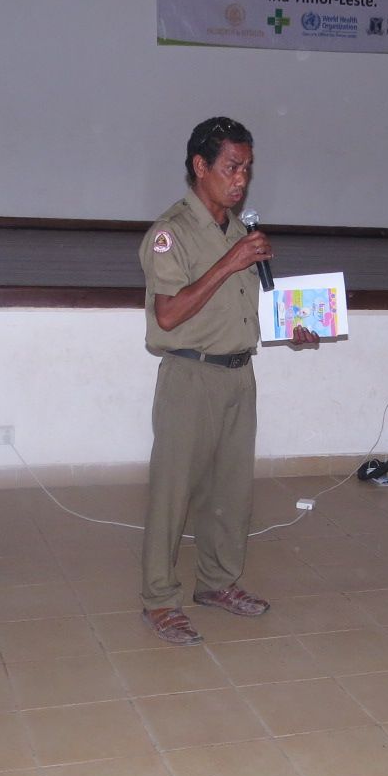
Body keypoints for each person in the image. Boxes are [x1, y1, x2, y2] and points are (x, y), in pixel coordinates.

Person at [138, 116, 317, 646]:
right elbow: (168, 314)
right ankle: (159, 599)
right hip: (190, 375)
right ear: (201, 166)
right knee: (173, 495)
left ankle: (217, 583)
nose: (242, 180)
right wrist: (228, 262)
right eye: (232, 167)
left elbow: (250, 303)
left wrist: (293, 329)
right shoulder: (170, 233)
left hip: (239, 374)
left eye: (247, 169)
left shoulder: (241, 233)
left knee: (231, 494)